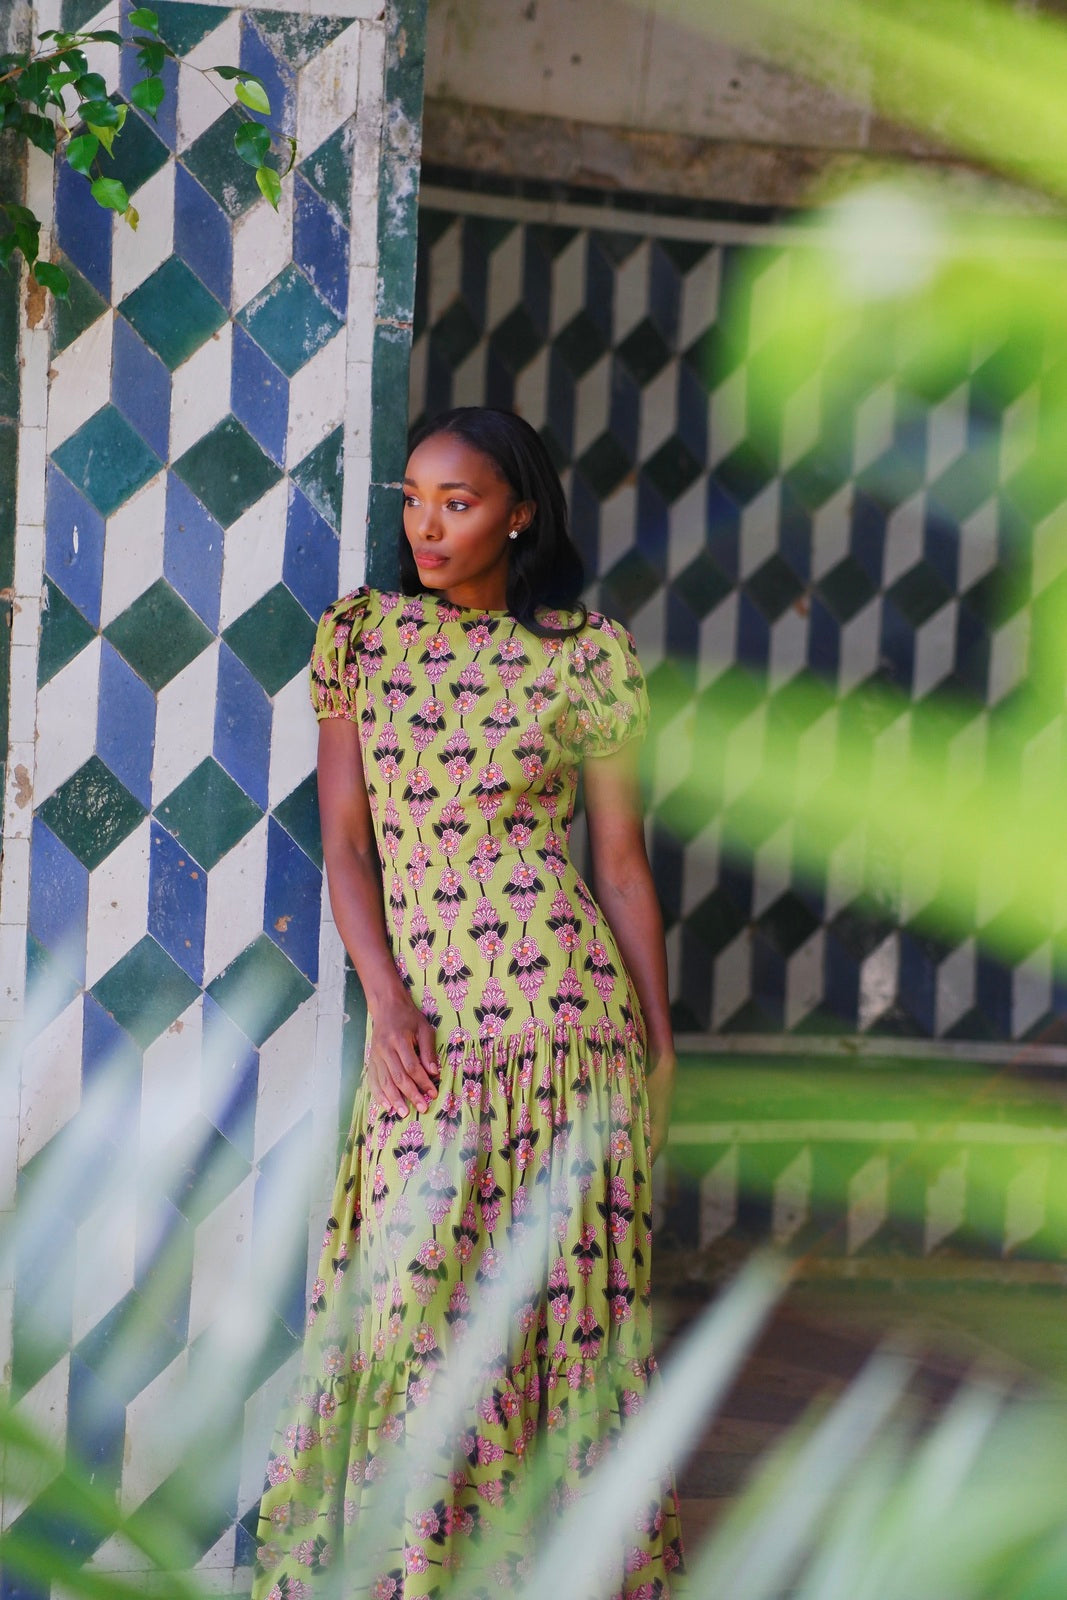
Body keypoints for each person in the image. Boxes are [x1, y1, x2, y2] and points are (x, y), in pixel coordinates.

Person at [252, 407, 683, 1599]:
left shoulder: (588, 653)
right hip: (435, 1040)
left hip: (570, 1032)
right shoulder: (361, 639)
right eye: (414, 498)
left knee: (567, 1330)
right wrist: (387, 1007)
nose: (428, 524)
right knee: (411, 1318)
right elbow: (345, 845)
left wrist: (656, 1043)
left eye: (459, 501)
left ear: (519, 513)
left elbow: (620, 863)